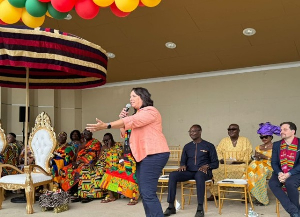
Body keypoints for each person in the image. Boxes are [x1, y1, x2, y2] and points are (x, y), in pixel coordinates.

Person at [86, 87, 170, 217]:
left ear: (143, 97)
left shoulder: (150, 111)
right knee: (145, 192)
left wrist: (107, 125)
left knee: (148, 193)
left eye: (134, 96)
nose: (131, 99)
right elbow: (125, 133)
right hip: (143, 156)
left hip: (154, 154)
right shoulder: (136, 115)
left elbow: (132, 121)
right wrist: (122, 121)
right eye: (130, 97)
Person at [163, 125, 219, 217]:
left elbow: (216, 163)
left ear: (200, 132)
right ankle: (171, 206)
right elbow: (183, 161)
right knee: (173, 175)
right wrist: (182, 165)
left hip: (204, 173)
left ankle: (200, 208)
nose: (191, 133)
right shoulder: (187, 146)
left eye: (194, 131)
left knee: (199, 176)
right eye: (190, 131)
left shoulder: (209, 146)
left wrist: (207, 166)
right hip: (189, 172)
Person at [208, 124, 253, 201]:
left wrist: (238, 161)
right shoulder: (224, 140)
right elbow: (218, 151)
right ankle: (216, 194)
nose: (231, 131)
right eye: (229, 130)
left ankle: (245, 195)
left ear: (238, 131)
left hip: (241, 164)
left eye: (234, 129)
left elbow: (249, 153)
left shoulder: (245, 140)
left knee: (245, 170)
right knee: (215, 170)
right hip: (225, 163)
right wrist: (221, 159)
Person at [60, 129, 101, 203]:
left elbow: (98, 155)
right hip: (79, 162)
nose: (87, 134)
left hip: (90, 163)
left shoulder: (96, 142)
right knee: (65, 169)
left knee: (82, 170)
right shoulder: (81, 145)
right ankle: (70, 192)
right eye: (85, 133)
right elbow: (75, 156)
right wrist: (73, 162)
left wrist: (94, 162)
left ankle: (85, 195)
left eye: (88, 132)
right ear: (83, 135)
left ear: (92, 133)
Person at [100, 130, 139, 205]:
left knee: (131, 175)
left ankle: (133, 197)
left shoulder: (134, 142)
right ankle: (112, 196)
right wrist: (122, 160)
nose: (106, 142)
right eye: (104, 140)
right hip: (122, 164)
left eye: (108, 140)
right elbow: (123, 155)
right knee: (108, 174)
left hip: (133, 163)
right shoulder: (125, 143)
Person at [244, 122, 280, 206]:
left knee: (260, 174)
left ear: (271, 137)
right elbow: (255, 158)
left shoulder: (276, 147)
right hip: (257, 164)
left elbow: (278, 160)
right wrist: (256, 157)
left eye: (266, 137)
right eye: (261, 137)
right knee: (248, 172)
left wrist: (265, 157)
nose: (263, 138)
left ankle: (262, 199)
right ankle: (252, 197)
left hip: (270, 166)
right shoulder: (258, 147)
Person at [269, 122, 300, 217]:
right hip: (280, 172)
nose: (281, 132)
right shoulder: (277, 144)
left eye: (285, 129)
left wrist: (288, 174)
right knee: (272, 183)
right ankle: (294, 211)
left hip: (296, 172)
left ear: (293, 131)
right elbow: (274, 162)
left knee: (290, 183)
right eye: (281, 129)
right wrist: (279, 173)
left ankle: (295, 213)